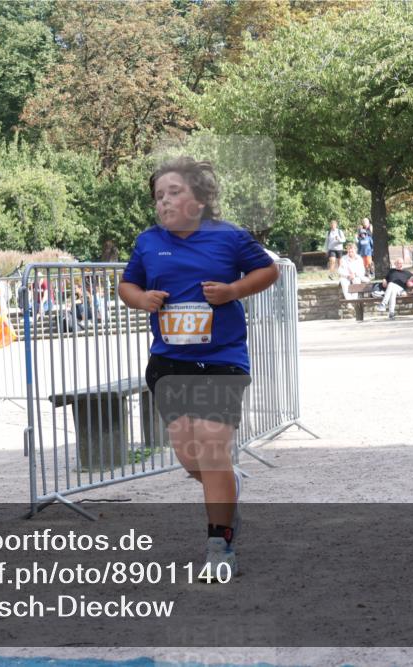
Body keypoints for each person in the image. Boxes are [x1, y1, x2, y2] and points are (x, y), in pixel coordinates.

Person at [118, 156, 279, 582]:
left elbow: (268, 270)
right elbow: (127, 284)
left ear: (201, 198)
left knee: (210, 447)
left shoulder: (229, 238)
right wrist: (140, 299)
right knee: (191, 460)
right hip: (169, 363)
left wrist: (232, 291)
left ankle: (219, 546)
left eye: (174, 192)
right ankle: (229, 483)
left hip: (222, 358)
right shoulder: (149, 242)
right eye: (158, 196)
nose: (164, 202)